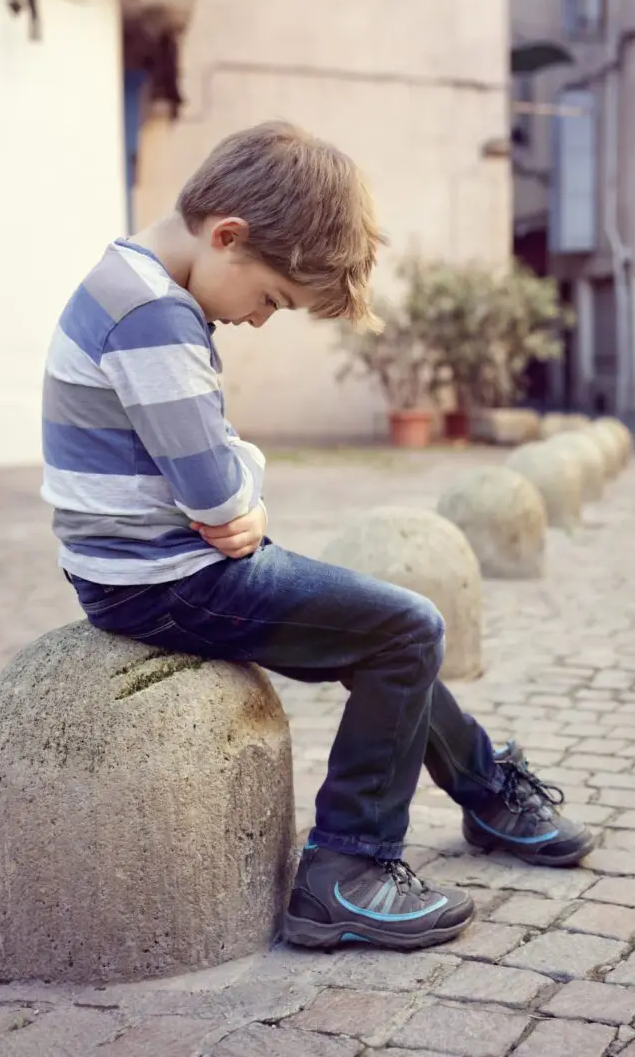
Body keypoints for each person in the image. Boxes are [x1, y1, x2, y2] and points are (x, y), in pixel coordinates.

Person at [40, 121, 593, 951]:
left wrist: (234, 479)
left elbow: (211, 472)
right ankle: (346, 871)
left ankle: (487, 795)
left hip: (151, 570)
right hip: (167, 584)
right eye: (271, 298)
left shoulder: (133, 282)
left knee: (376, 632)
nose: (261, 320)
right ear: (229, 236)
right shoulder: (155, 316)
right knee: (407, 629)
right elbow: (219, 496)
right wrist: (248, 478)